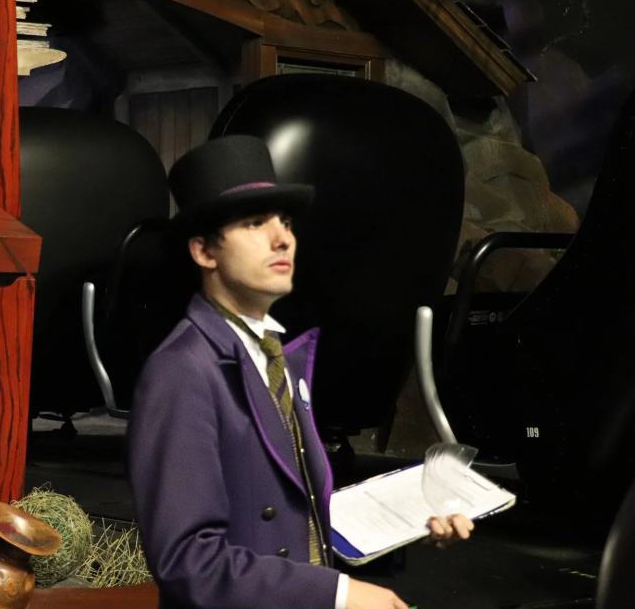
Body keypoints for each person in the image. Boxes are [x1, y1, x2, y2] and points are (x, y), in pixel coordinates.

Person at [128, 135, 472, 609]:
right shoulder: (183, 370)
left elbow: (292, 523)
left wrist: (411, 521)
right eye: (255, 223)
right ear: (204, 252)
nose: (283, 238)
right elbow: (188, 562)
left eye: (285, 222)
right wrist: (338, 594)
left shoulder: (275, 357)